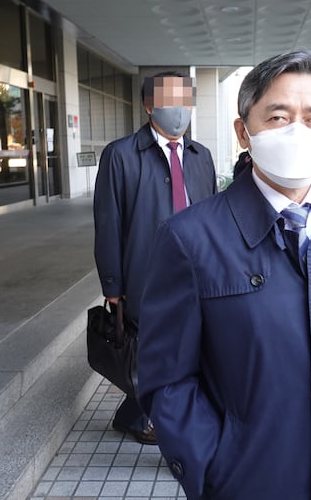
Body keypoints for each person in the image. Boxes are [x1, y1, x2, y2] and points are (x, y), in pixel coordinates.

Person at [137, 50, 311, 499]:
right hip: (247, 482)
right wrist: (213, 466)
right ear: (244, 132)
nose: (297, 130)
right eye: (278, 116)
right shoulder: (189, 238)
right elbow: (167, 378)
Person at [93, 71, 216, 445]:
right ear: (149, 106)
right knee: (148, 347)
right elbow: (108, 222)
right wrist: (112, 283)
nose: (178, 110)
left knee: (188, 343)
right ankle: (142, 415)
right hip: (143, 272)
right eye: (169, 101)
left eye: (184, 101)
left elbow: (212, 217)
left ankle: (138, 412)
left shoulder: (201, 156)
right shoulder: (120, 155)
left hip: (194, 270)